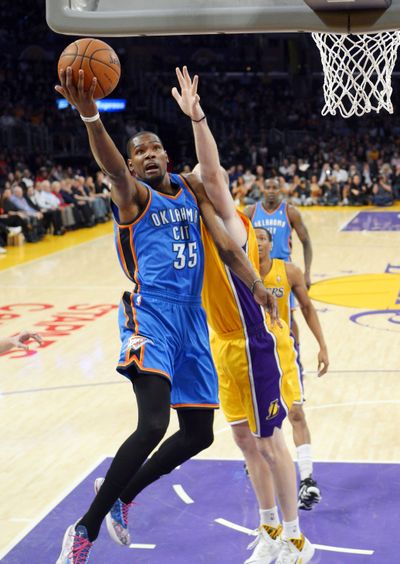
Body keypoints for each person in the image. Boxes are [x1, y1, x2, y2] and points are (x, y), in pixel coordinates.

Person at [54, 66, 276, 564]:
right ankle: (84, 528)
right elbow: (109, 167)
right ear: (132, 166)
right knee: (153, 425)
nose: (147, 155)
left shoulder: (190, 191)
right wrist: (91, 116)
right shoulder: (132, 196)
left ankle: (125, 494)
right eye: (139, 152)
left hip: (192, 321)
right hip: (150, 314)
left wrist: (258, 285)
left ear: (166, 156)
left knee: (199, 433)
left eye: (154, 148)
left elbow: (225, 246)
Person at [172, 66, 314, 564]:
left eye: (219, 181)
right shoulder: (196, 226)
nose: (213, 181)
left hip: (252, 338)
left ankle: (297, 538)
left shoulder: (232, 219)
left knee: (269, 439)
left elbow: (209, 170)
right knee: (241, 439)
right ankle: (270, 529)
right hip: (221, 342)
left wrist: (197, 118)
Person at [244, 177, 319, 510]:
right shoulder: (248, 211)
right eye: (268, 187)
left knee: (285, 324)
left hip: (279, 278)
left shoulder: (290, 213)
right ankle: (258, 458)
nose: (271, 191)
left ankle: (305, 480)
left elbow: (306, 241)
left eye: (276, 187)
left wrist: (310, 270)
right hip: (253, 277)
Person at [255, 226, 329, 510]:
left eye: (264, 238)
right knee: (260, 421)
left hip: (285, 351)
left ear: (272, 244)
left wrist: (322, 345)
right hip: (252, 356)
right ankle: (263, 463)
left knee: (296, 412)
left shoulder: (289, 272)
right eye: (255, 238)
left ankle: (307, 479)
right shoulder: (239, 272)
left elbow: (308, 308)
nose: (259, 242)